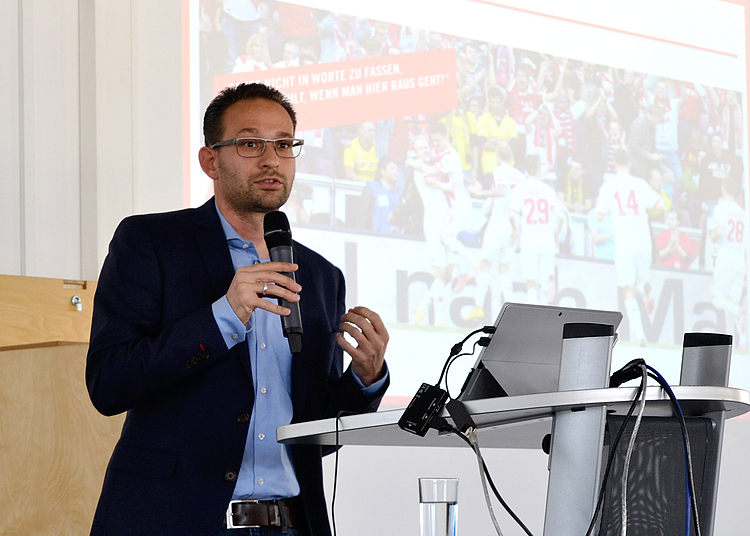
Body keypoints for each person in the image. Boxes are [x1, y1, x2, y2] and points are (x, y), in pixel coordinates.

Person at [86, 83, 390, 536]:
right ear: (211, 160)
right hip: (173, 521)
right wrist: (223, 315)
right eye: (250, 143)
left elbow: (314, 439)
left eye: (284, 145)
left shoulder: (322, 276)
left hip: (290, 524)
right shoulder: (151, 243)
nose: (271, 159)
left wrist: (365, 379)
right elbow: (109, 384)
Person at [595, 148, 664, 345]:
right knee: (640, 283)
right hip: (643, 239)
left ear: (614, 163)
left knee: (628, 288)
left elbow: (600, 214)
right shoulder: (639, 184)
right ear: (630, 163)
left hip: (624, 241)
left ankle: (640, 335)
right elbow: (659, 205)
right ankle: (646, 288)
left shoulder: (609, 186)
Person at [464, 142, 525, 321]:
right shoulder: (520, 176)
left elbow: (501, 191)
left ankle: (478, 306)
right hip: (515, 221)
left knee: (485, 264)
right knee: (504, 267)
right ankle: (513, 310)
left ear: (498, 156)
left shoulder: (500, 170)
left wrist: (479, 193)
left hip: (499, 220)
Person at [509, 154, 564, 304]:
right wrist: (556, 233)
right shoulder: (548, 190)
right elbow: (560, 217)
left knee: (530, 282)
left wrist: (515, 229)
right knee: (544, 282)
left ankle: (534, 319)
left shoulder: (520, 189)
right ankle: (546, 315)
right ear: (539, 168)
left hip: (529, 238)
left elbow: (512, 215)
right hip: (547, 239)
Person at [710, 177, 748, 346]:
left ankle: (739, 312)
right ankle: (743, 343)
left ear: (724, 189)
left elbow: (718, 232)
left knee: (717, 299)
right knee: (732, 302)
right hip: (740, 261)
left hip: (725, 258)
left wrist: (711, 239)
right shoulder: (743, 213)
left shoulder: (721, 208)